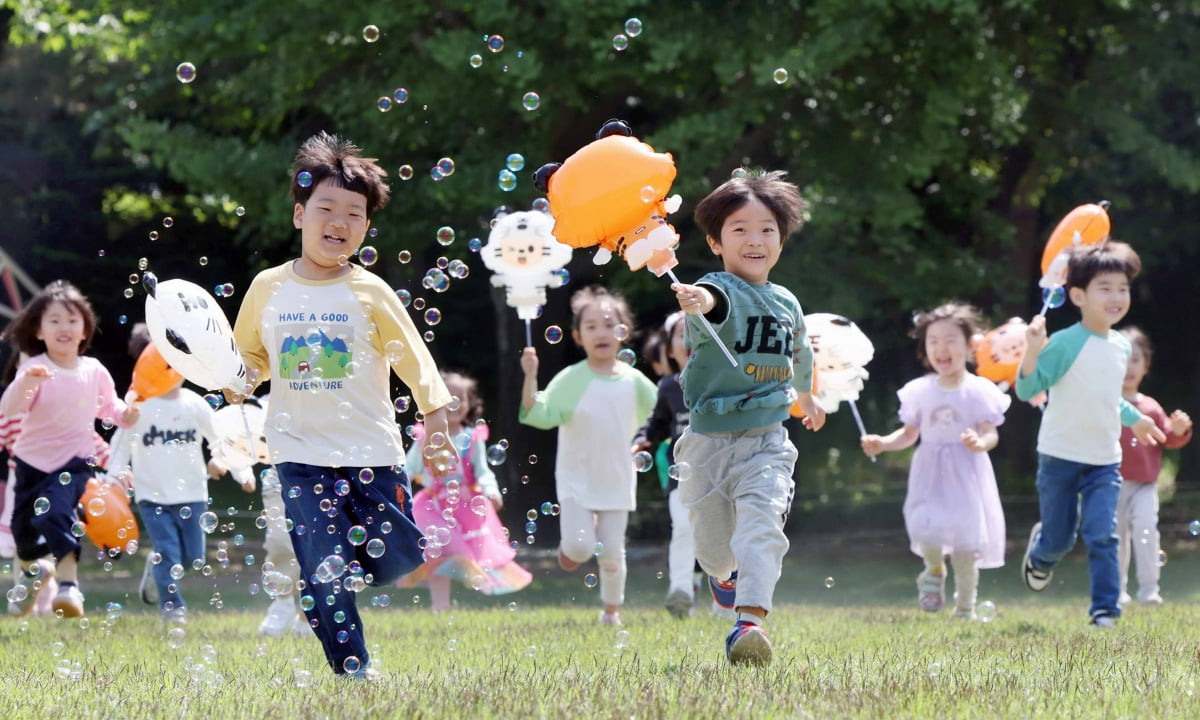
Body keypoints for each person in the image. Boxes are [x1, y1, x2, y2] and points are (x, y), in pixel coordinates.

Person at [231, 131, 455, 680]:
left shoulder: (371, 291)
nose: (339, 221)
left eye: (354, 213)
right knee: (322, 572)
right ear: (299, 216)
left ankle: (337, 567)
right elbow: (249, 358)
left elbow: (415, 361)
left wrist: (438, 424)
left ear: (364, 228)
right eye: (326, 208)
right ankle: (353, 665)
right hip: (298, 452)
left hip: (370, 450)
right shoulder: (267, 287)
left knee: (398, 554)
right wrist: (238, 381)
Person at [668, 169, 825, 666]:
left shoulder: (788, 302)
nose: (755, 240)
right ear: (716, 242)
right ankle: (722, 579)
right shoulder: (717, 287)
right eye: (740, 230)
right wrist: (698, 299)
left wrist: (808, 395)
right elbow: (713, 303)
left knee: (761, 527)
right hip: (707, 444)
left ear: (781, 239)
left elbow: (801, 352)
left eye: (767, 230)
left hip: (766, 439)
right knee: (715, 551)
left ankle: (748, 622)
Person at [1015, 241, 1167, 628]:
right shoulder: (1066, 343)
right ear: (1078, 295)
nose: (1117, 296)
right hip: (1059, 456)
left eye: (1123, 287)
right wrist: (1032, 352)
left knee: (1103, 534)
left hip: (1104, 460)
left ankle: (1105, 610)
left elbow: (1107, 397)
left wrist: (1135, 418)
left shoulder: (1120, 346)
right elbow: (1027, 390)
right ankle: (1041, 554)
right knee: (1061, 539)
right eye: (1106, 287)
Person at [860, 303, 1010, 620]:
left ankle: (965, 608)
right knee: (925, 529)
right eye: (933, 341)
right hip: (929, 474)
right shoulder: (920, 391)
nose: (941, 348)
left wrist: (980, 442)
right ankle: (934, 570)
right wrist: (883, 443)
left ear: (970, 346)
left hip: (967, 474)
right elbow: (910, 433)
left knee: (966, 547)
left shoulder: (979, 390)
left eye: (950, 340)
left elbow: (991, 432)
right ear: (925, 349)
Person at [519, 286, 657, 627]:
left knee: (612, 554)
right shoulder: (571, 380)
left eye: (610, 324)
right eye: (592, 326)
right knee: (581, 549)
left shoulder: (636, 383)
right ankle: (572, 547)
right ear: (579, 336)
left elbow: (659, 420)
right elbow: (537, 412)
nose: (602, 332)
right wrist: (530, 375)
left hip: (617, 479)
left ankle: (611, 612)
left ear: (624, 332)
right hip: (576, 479)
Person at [0, 280, 138, 618]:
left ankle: (69, 587)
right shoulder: (35, 370)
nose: (65, 327)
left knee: (55, 515)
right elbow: (9, 407)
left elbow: (110, 407)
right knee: (24, 534)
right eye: (55, 320)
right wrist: (27, 382)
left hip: (73, 464)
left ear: (85, 329)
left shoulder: (93, 371)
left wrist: (126, 415)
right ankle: (37, 573)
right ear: (39, 329)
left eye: (73, 320)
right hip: (31, 466)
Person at [106, 346, 255, 623]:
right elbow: (120, 447)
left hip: (193, 495)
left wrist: (240, 471)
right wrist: (111, 481)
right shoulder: (140, 406)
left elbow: (221, 440)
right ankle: (172, 607)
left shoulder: (194, 403)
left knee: (191, 558)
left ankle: (155, 568)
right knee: (169, 553)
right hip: (153, 497)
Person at [399, 371, 531, 609]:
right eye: (448, 398)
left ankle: (475, 600)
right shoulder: (426, 438)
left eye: (461, 398)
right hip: (433, 507)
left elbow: (483, 471)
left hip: (467, 507)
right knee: (439, 553)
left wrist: (491, 491)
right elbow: (409, 470)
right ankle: (441, 607)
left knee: (469, 559)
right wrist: (397, 490)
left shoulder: (473, 438)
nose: (455, 404)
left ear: (470, 404)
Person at [1114, 326, 1192, 606]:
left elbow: (1168, 438)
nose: (1128, 367)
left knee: (1146, 531)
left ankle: (1149, 590)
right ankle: (1117, 591)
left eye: (1135, 359)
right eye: (1122, 359)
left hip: (1145, 486)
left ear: (1146, 365)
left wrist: (1180, 429)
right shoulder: (1105, 403)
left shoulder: (1150, 408)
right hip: (1110, 484)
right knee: (1115, 539)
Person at [632, 311, 701, 619]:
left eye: (696, 331)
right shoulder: (669, 387)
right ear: (669, 349)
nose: (687, 339)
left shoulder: (725, 381)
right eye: (679, 334)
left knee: (723, 539)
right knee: (683, 528)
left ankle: (729, 597)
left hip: (721, 474)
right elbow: (657, 423)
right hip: (682, 474)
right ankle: (681, 590)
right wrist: (643, 439)